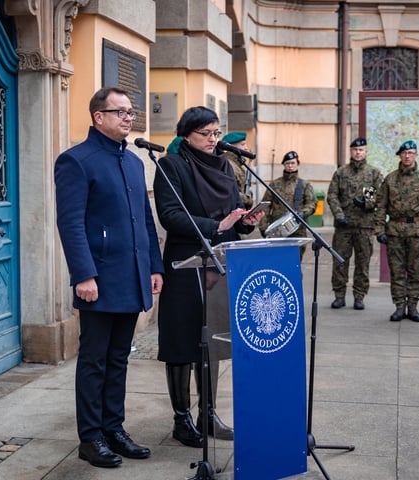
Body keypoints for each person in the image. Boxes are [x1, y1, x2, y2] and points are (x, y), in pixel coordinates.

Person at [54, 87, 164, 468]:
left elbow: (145, 220)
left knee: (119, 357)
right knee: (94, 359)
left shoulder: (134, 163)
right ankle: (91, 437)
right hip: (98, 279)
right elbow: (70, 223)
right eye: (120, 113)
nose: (128, 119)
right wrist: (83, 274)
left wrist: (154, 266)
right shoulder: (76, 161)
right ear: (98, 116)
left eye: (131, 113)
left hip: (132, 276)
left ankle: (114, 428)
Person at [153, 106, 263, 447]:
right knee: (182, 343)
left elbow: (232, 213)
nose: (213, 140)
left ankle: (208, 414)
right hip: (186, 265)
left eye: (216, 133)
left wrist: (244, 222)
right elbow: (170, 216)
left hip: (220, 267)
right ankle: (182, 419)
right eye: (206, 134)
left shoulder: (226, 168)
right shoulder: (171, 166)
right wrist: (216, 226)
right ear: (187, 135)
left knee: (212, 343)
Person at [374, 140, 419, 322]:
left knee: (414, 272)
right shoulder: (390, 179)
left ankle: (413, 307)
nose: (408, 156)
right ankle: (399, 307)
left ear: (416, 155)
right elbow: (381, 206)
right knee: (396, 271)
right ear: (400, 156)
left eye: (411, 153)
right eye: (405, 153)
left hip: (416, 232)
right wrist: (379, 229)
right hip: (394, 231)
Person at [327, 137, 384, 310]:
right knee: (339, 262)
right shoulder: (341, 173)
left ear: (366, 152)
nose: (358, 153)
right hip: (344, 226)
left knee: (363, 263)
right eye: (355, 150)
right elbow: (332, 195)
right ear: (351, 152)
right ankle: (339, 295)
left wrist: (367, 204)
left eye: (361, 150)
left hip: (364, 226)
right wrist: (339, 214)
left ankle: (359, 296)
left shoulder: (373, 173)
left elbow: (380, 197)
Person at [258, 150, 317, 257]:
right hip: (277, 231)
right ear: (284, 165)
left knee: (295, 263)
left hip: (297, 231)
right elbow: (265, 205)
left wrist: (302, 214)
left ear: (297, 164)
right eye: (287, 163)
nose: (290, 166)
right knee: (277, 262)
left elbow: (311, 204)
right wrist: (263, 227)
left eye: (293, 163)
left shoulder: (304, 184)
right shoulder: (275, 184)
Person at [221, 131, 254, 209]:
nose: (246, 148)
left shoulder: (238, 165)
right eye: (242, 144)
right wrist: (248, 199)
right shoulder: (228, 165)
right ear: (230, 147)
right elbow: (229, 192)